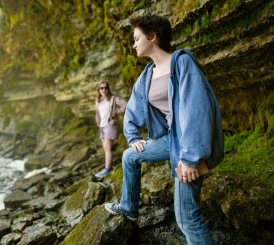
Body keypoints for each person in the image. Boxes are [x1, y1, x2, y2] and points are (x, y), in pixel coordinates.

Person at [104, 15, 224, 245]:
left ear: (153, 37)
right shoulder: (147, 74)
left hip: (189, 145)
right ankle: (129, 207)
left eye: (137, 38)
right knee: (130, 156)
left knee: (187, 217)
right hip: (171, 139)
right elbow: (132, 109)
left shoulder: (182, 64)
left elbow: (197, 111)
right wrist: (132, 137)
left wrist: (189, 159)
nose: (134, 44)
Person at [94, 81, 127, 181]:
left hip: (111, 125)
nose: (103, 90)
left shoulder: (113, 98)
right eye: (101, 88)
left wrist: (116, 113)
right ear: (99, 90)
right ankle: (108, 167)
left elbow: (125, 104)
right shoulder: (98, 100)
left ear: (108, 89)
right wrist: (97, 122)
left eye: (105, 88)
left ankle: (107, 169)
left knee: (107, 147)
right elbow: (97, 113)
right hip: (102, 126)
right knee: (105, 148)